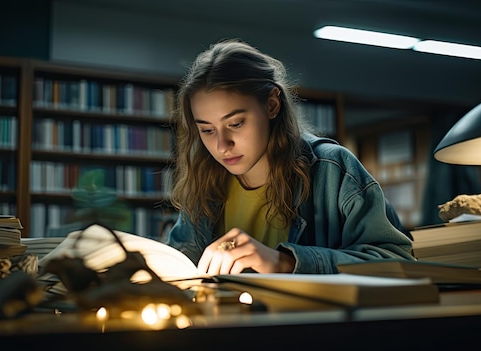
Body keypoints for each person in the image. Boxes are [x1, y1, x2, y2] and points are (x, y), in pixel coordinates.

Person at [165, 38, 415, 276]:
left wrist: (285, 262)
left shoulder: (332, 169)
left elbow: (397, 261)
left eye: (236, 123)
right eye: (207, 130)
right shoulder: (204, 181)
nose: (222, 145)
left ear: (272, 104)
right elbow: (181, 261)